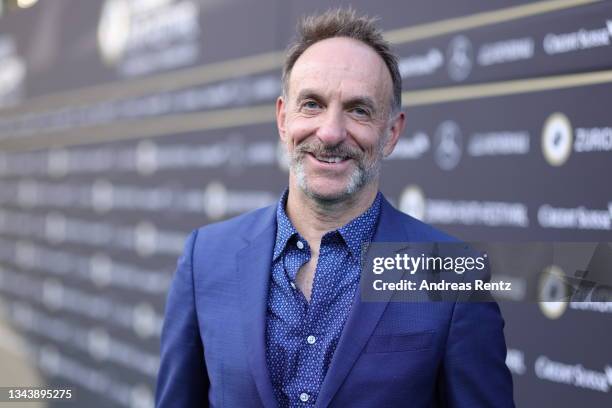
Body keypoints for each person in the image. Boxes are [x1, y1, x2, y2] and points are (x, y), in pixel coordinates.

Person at [156, 8, 513, 408]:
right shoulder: (205, 258)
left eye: (359, 110)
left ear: (392, 132)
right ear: (282, 119)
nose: (330, 132)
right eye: (311, 104)